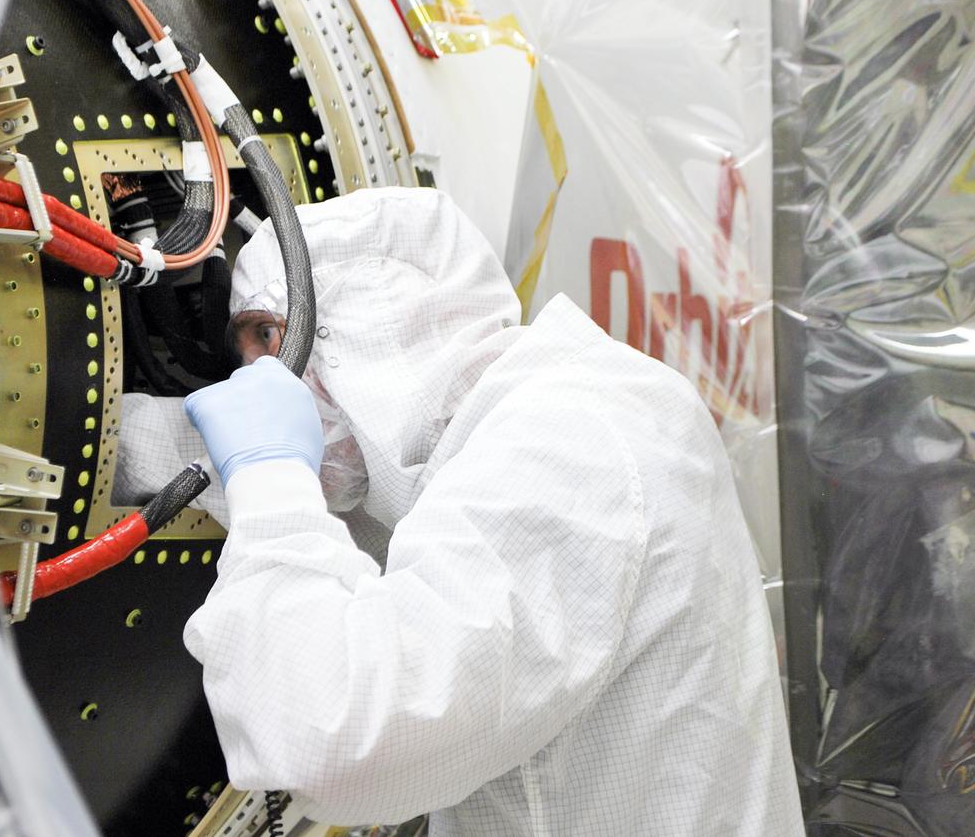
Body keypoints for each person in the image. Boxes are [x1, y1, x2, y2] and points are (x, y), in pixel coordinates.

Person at [181, 186, 804, 835]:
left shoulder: (568, 442)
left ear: (363, 318)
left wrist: (269, 473)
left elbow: (329, 737)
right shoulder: (566, 416)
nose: (257, 377)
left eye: (266, 336)